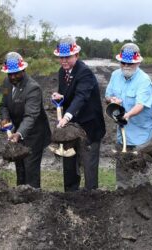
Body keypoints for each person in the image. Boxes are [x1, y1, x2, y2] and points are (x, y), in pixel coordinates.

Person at [51, 36, 106, 192]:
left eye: (67, 57)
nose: (63, 61)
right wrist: (60, 96)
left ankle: (91, 198)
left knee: (89, 166)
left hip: (89, 127)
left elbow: (81, 97)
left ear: (76, 55)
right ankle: (70, 196)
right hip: (71, 128)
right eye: (61, 57)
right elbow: (68, 94)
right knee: (69, 164)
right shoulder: (62, 72)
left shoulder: (85, 73)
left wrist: (66, 116)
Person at [105, 43, 152, 188]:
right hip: (123, 133)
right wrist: (112, 100)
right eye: (123, 62)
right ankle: (121, 196)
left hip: (142, 132)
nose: (126, 66)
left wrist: (127, 115)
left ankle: (142, 199)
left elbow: (140, 105)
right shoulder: (115, 75)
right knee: (122, 168)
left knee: (140, 170)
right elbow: (108, 96)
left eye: (130, 63)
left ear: (138, 62)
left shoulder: (144, 81)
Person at [0, 52, 51, 188]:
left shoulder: (33, 88)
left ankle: (34, 201)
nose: (12, 77)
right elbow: (4, 104)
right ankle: (21, 199)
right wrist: (5, 120)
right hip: (17, 130)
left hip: (34, 134)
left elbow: (31, 116)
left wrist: (18, 134)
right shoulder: (6, 83)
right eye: (9, 74)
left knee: (30, 170)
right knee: (20, 167)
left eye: (16, 73)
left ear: (23, 69)